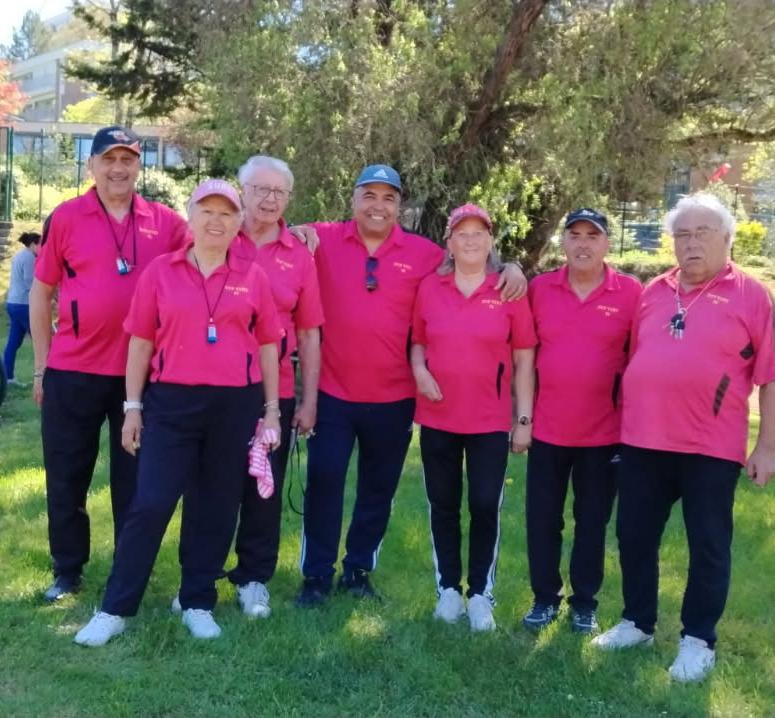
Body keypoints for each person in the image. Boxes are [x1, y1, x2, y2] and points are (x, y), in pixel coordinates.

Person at [287, 165, 529, 607]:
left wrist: (510, 267)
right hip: (333, 394)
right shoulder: (321, 240)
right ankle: (317, 575)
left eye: (389, 198)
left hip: (395, 397)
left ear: (400, 206)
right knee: (324, 482)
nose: (378, 206)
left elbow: (470, 256)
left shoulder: (422, 253)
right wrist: (295, 231)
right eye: (369, 195)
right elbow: (282, 233)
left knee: (378, 489)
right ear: (354, 199)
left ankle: (358, 569)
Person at [592, 193, 775, 684]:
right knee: (634, 537)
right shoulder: (654, 292)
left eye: (703, 232)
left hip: (711, 446)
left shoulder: (754, 296)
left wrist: (765, 448)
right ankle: (637, 623)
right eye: (682, 234)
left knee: (708, 545)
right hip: (642, 440)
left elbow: (774, 378)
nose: (691, 242)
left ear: (727, 239)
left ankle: (697, 640)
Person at [74, 179, 283, 645]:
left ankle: (197, 600)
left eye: (226, 213)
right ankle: (115, 607)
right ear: (189, 217)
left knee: (215, 505)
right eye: (206, 211)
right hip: (170, 402)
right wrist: (132, 408)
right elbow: (140, 342)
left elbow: (269, 344)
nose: (216, 220)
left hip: (234, 404)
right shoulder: (160, 273)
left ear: (238, 223)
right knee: (150, 502)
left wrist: (271, 411)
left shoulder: (253, 276)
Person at [28, 126, 189, 604]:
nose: (118, 169)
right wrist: (42, 366)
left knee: (134, 482)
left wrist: (298, 233)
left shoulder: (167, 223)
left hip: (139, 380)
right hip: (72, 371)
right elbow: (42, 293)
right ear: (91, 165)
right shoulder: (66, 217)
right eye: (108, 159)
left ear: (140, 165)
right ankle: (68, 569)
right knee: (66, 474)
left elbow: (215, 246)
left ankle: (128, 569)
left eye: (128, 159)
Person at [411, 204, 537, 632]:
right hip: (438, 415)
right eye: (460, 233)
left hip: (489, 420)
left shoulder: (509, 291)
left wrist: (523, 419)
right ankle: (448, 589)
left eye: (478, 233)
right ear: (449, 242)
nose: (469, 240)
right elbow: (417, 340)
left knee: (485, 505)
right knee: (443, 505)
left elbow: (523, 358)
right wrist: (420, 369)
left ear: (490, 241)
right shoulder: (431, 287)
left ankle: (480, 593)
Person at [216, 155, 325, 619]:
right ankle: (201, 572)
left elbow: (309, 332)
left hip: (273, 393)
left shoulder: (299, 253)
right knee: (214, 483)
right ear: (241, 190)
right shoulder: (216, 235)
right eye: (260, 189)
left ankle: (253, 578)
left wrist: (309, 399)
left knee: (263, 487)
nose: (269, 199)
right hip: (214, 385)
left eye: (278, 192)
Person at [521, 208, 640, 634]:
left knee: (592, 522)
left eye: (593, 235)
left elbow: (643, 360)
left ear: (607, 243)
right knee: (542, 518)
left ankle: (584, 602)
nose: (583, 243)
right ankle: (544, 598)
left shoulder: (631, 294)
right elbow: (522, 355)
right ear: (564, 243)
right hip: (548, 428)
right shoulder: (539, 289)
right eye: (574, 235)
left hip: (604, 434)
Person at [4, 231, 39, 387]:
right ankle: (46, 376)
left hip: (13, 303)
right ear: (33, 244)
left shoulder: (19, 256)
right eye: (41, 245)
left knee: (14, 342)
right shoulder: (29, 258)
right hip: (24, 305)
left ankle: (8, 377)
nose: (42, 249)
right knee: (41, 340)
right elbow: (29, 283)